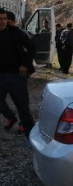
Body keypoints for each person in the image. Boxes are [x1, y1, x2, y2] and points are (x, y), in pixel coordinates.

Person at [0, 8, 36, 138]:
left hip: (16, 76)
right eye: (0, 19)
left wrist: (25, 65)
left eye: (4, 19)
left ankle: (31, 138)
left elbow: (32, 47)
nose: (3, 22)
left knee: (23, 109)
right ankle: (10, 117)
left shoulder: (15, 33)